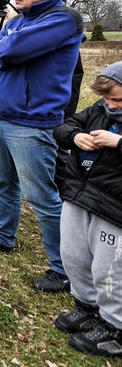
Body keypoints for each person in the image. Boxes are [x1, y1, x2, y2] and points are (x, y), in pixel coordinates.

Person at [0, 0, 83, 293]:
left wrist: (6, 46)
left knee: (42, 196)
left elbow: (8, 51)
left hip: (33, 121)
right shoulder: (21, 21)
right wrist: (5, 45)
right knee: (2, 182)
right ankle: (2, 235)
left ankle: (64, 269)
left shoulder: (61, 20)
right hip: (2, 115)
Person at [53, 61, 122, 357]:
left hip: (114, 206)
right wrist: (75, 137)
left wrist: (118, 142)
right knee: (74, 254)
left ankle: (115, 327)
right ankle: (86, 306)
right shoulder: (99, 109)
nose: (111, 105)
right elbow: (66, 125)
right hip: (79, 193)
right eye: (107, 99)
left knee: (109, 267)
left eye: (117, 99)